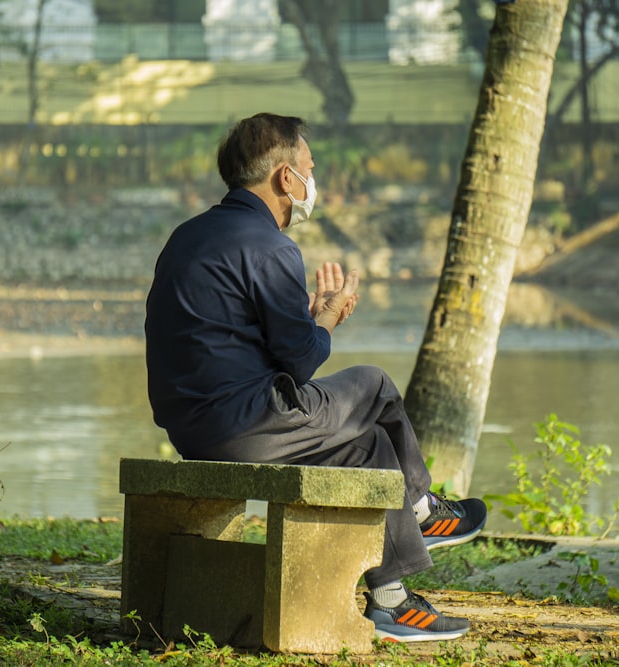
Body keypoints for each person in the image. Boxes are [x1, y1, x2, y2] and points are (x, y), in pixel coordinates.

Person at [145, 112, 487, 643]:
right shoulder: (270, 246)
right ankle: (422, 509)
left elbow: (225, 337)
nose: (312, 179)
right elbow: (300, 361)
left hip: (191, 427)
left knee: (369, 446)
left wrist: (300, 313)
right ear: (286, 177)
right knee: (374, 385)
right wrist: (327, 317)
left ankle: (391, 601)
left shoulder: (188, 237)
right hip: (248, 424)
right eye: (308, 167)